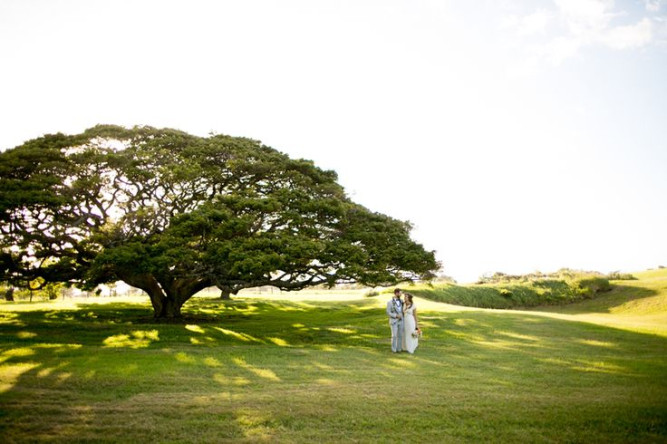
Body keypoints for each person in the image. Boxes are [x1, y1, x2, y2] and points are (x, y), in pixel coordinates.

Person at [386, 288, 403, 352]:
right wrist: (395, 316)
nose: (401, 294)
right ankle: (393, 349)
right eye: (400, 293)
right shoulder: (389, 302)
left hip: (401, 321)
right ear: (396, 293)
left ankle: (399, 349)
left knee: (400, 335)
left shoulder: (402, 301)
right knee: (394, 336)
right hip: (394, 321)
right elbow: (388, 312)